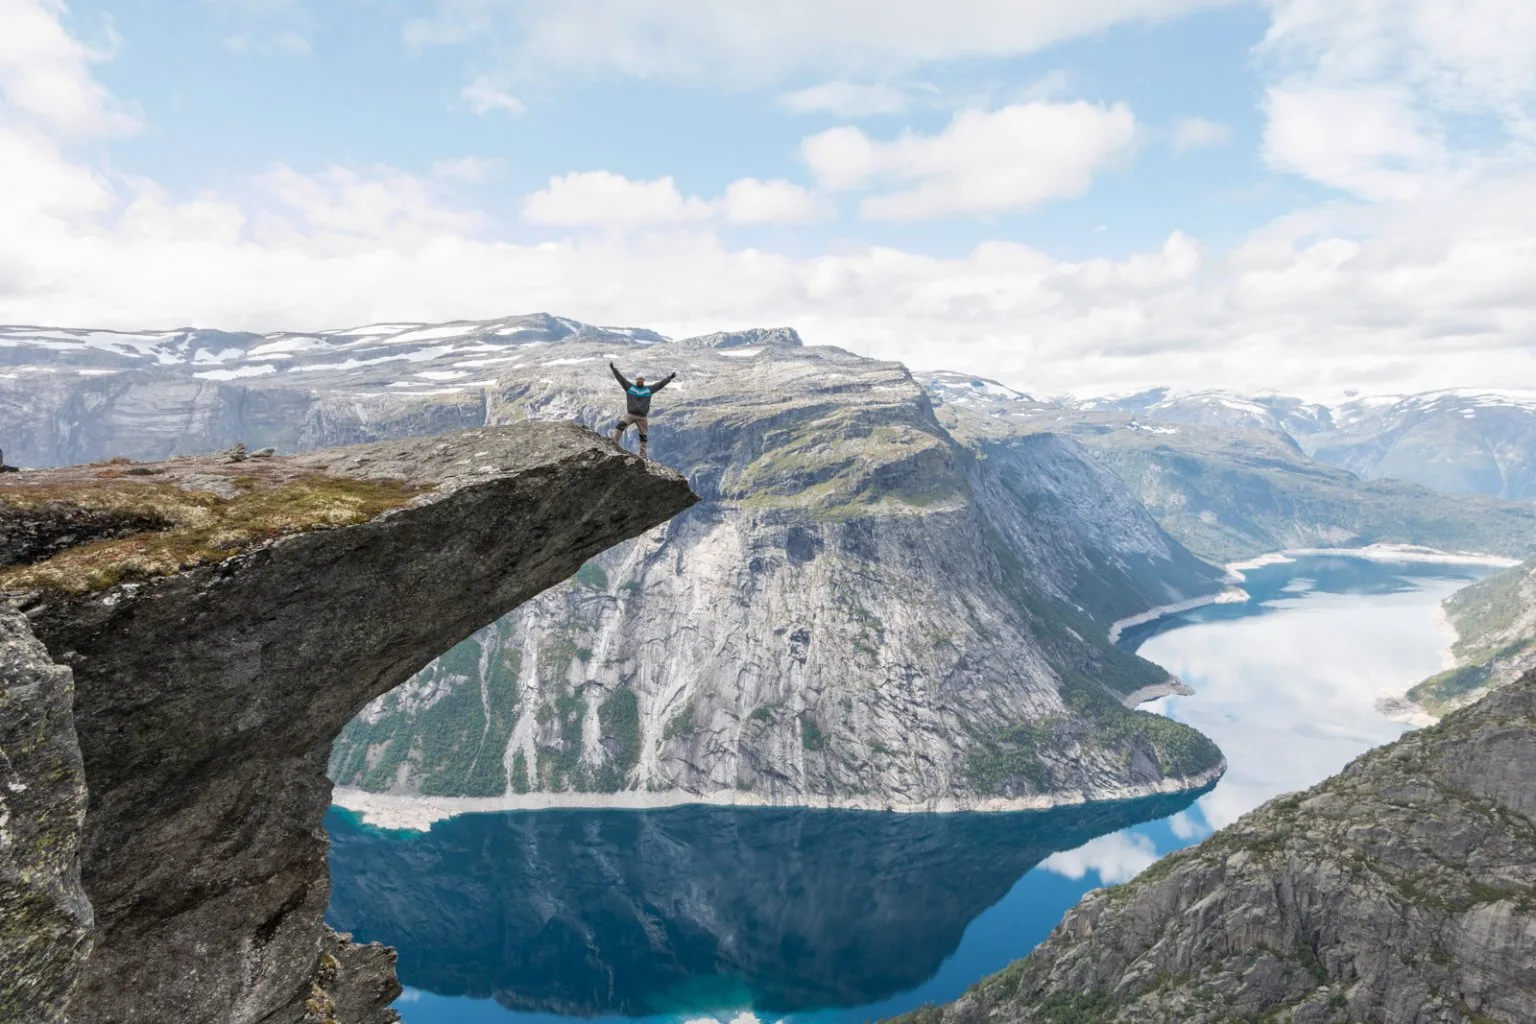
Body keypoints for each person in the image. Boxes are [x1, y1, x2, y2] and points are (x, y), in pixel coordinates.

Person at [609, 362, 676, 460]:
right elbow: (621, 379)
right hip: (630, 415)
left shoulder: (649, 390)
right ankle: (613, 442)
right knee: (620, 426)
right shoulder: (629, 387)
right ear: (636, 380)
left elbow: (660, 385)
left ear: (643, 380)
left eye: (641, 379)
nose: (640, 380)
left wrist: (669, 378)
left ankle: (643, 454)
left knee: (643, 435)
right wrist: (613, 369)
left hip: (642, 417)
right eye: (638, 379)